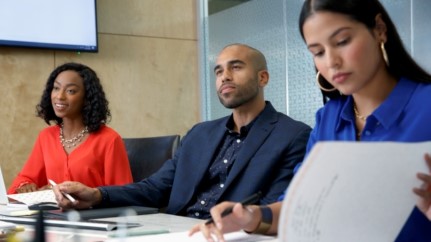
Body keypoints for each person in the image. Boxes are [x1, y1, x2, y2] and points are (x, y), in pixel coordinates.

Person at [189, 0, 431, 241]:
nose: (331, 61)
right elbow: (300, 208)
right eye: (318, 52)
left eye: (342, 41)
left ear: (379, 29)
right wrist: (251, 217)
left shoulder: (425, 106)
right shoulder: (329, 118)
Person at [52, 44, 311, 219]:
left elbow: (273, 210)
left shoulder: (293, 135)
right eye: (218, 71)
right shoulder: (200, 134)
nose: (224, 76)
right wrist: (97, 194)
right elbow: (154, 188)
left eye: (236, 67)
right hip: (177, 231)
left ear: (263, 78)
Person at [8, 62, 133, 194]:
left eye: (70, 91)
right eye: (56, 88)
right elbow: (26, 178)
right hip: (54, 214)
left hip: (96, 214)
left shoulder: (109, 140)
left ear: (87, 98)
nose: (59, 96)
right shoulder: (46, 136)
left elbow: (123, 194)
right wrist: (26, 186)